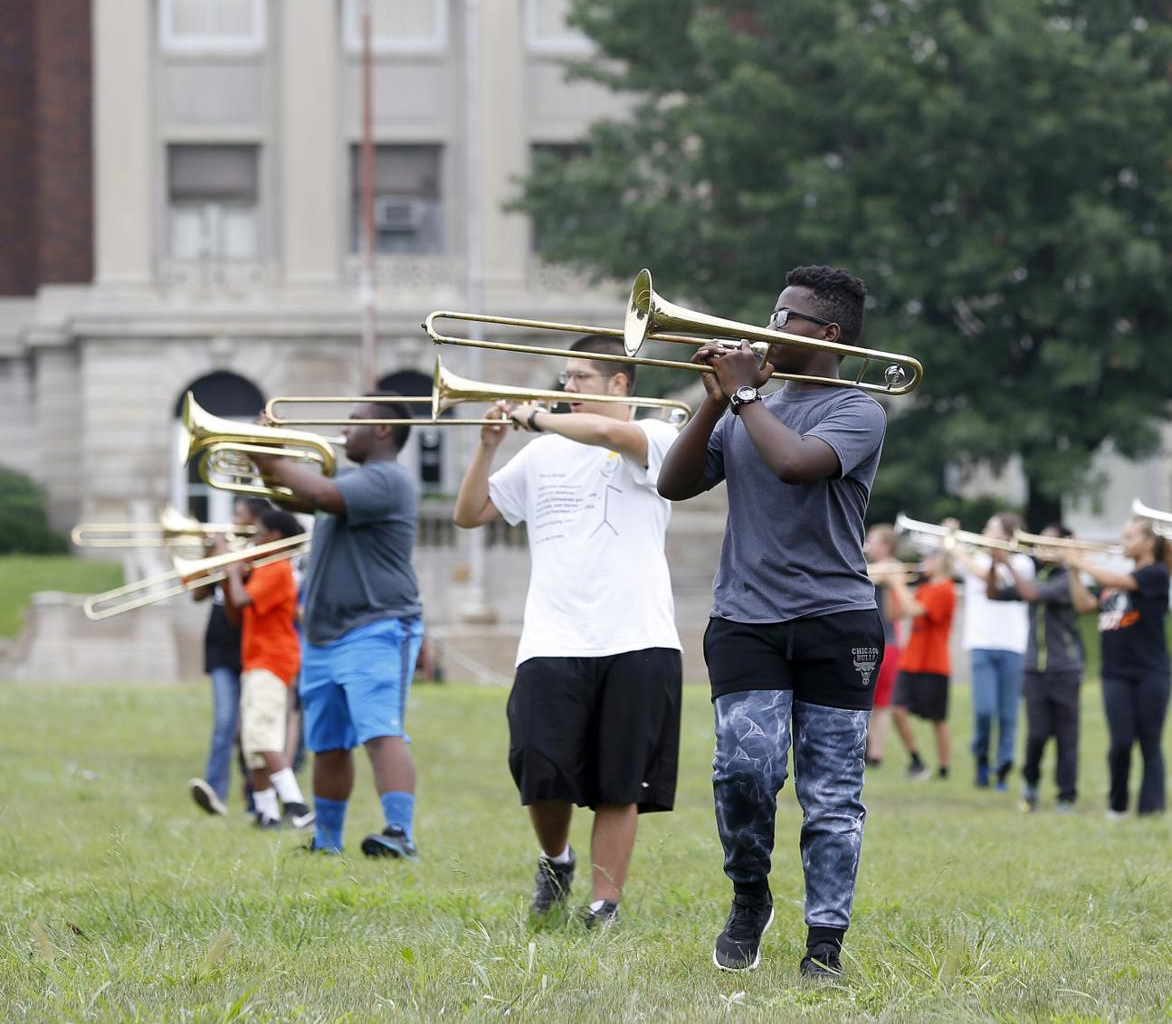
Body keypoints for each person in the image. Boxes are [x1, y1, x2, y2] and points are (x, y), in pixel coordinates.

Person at [657, 265, 887, 982]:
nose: (767, 327)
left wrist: (746, 396)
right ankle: (750, 896)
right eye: (771, 313)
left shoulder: (859, 410)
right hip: (746, 619)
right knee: (743, 773)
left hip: (837, 620)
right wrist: (712, 404)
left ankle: (825, 943)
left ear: (829, 334)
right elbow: (672, 483)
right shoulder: (741, 408)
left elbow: (795, 465)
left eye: (785, 318)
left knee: (832, 793)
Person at [454, 335, 682, 930]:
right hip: (552, 637)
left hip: (637, 636)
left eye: (581, 377)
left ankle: (604, 905)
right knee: (539, 765)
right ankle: (556, 860)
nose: (567, 387)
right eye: (565, 378)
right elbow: (470, 514)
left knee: (620, 781)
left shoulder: (658, 434)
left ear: (619, 384)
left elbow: (608, 433)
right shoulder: (542, 454)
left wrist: (535, 416)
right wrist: (487, 446)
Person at [250, 400, 423, 857]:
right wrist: (264, 459)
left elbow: (321, 496)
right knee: (327, 743)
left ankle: (400, 833)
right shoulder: (348, 479)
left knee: (380, 731)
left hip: (377, 623)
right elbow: (293, 497)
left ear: (383, 429)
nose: (345, 429)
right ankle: (327, 841)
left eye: (355, 421)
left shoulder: (388, 479)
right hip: (325, 633)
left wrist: (269, 454)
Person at [1066, 517, 1172, 817]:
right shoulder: (1114, 584)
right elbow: (1083, 605)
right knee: (1121, 742)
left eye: (1129, 537)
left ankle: (1152, 810)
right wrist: (1074, 570)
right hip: (1115, 674)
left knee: (1150, 743)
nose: (1123, 542)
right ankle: (1117, 807)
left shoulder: (1156, 574)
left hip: (1151, 672)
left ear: (1148, 543)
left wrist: (1079, 559)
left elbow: (1119, 581)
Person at [224, 508, 313, 828]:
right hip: (255, 659)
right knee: (252, 745)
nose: (253, 539)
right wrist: (228, 578)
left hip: (272, 660)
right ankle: (267, 812)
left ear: (275, 536)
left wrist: (233, 574)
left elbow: (243, 600)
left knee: (262, 736)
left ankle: (297, 806)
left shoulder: (277, 568)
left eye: (259, 533)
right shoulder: (262, 568)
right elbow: (235, 614)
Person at [987, 527, 1084, 813]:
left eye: (1048, 543)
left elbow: (1031, 595)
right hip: (1034, 670)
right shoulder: (1038, 577)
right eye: (1039, 542)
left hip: (1065, 669)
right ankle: (1030, 787)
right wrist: (993, 563)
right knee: (1037, 735)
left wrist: (1007, 563)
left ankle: (1066, 796)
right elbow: (993, 593)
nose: (1041, 547)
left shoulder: (1068, 579)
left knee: (1067, 737)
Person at [188, 494, 270, 817]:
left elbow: (242, 601)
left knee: (250, 728)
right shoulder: (224, 550)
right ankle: (214, 792)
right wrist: (209, 554)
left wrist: (225, 554)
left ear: (255, 521)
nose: (233, 521)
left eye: (239, 515)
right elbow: (198, 594)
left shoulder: (263, 554)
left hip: (253, 647)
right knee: (224, 722)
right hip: (220, 647)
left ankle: (256, 799)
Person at [952, 514, 1031, 790]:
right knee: (984, 710)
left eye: (991, 528)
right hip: (981, 643)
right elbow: (947, 568)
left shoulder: (1021, 563)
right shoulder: (976, 558)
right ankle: (982, 756)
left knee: (1009, 714)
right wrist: (949, 541)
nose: (984, 532)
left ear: (1008, 535)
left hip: (1013, 645)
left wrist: (957, 549)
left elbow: (987, 576)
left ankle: (1004, 767)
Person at [887, 543, 955, 781]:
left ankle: (944, 769)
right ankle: (916, 760)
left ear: (941, 561)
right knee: (896, 710)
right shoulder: (924, 588)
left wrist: (897, 582)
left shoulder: (946, 589)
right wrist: (890, 587)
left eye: (929, 558)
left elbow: (916, 610)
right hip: (911, 661)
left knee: (938, 719)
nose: (924, 562)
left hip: (934, 663)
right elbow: (896, 613)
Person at [864, 524, 901, 769]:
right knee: (867, 699)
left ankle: (876, 753)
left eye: (873, 541)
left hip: (888, 640)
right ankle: (867, 748)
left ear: (886, 546)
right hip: (868, 638)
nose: (868, 545)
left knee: (881, 703)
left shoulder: (893, 567)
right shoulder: (874, 567)